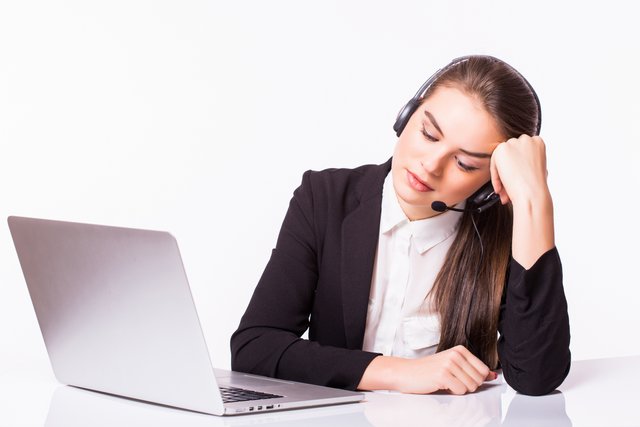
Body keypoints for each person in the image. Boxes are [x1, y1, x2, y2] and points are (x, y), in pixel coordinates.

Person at [230, 55, 571, 396]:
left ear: (487, 185)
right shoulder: (325, 198)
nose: (431, 165)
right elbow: (255, 347)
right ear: (406, 116)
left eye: (465, 164)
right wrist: (401, 373)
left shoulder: (510, 235)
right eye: (428, 133)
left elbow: (536, 377)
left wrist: (534, 199)